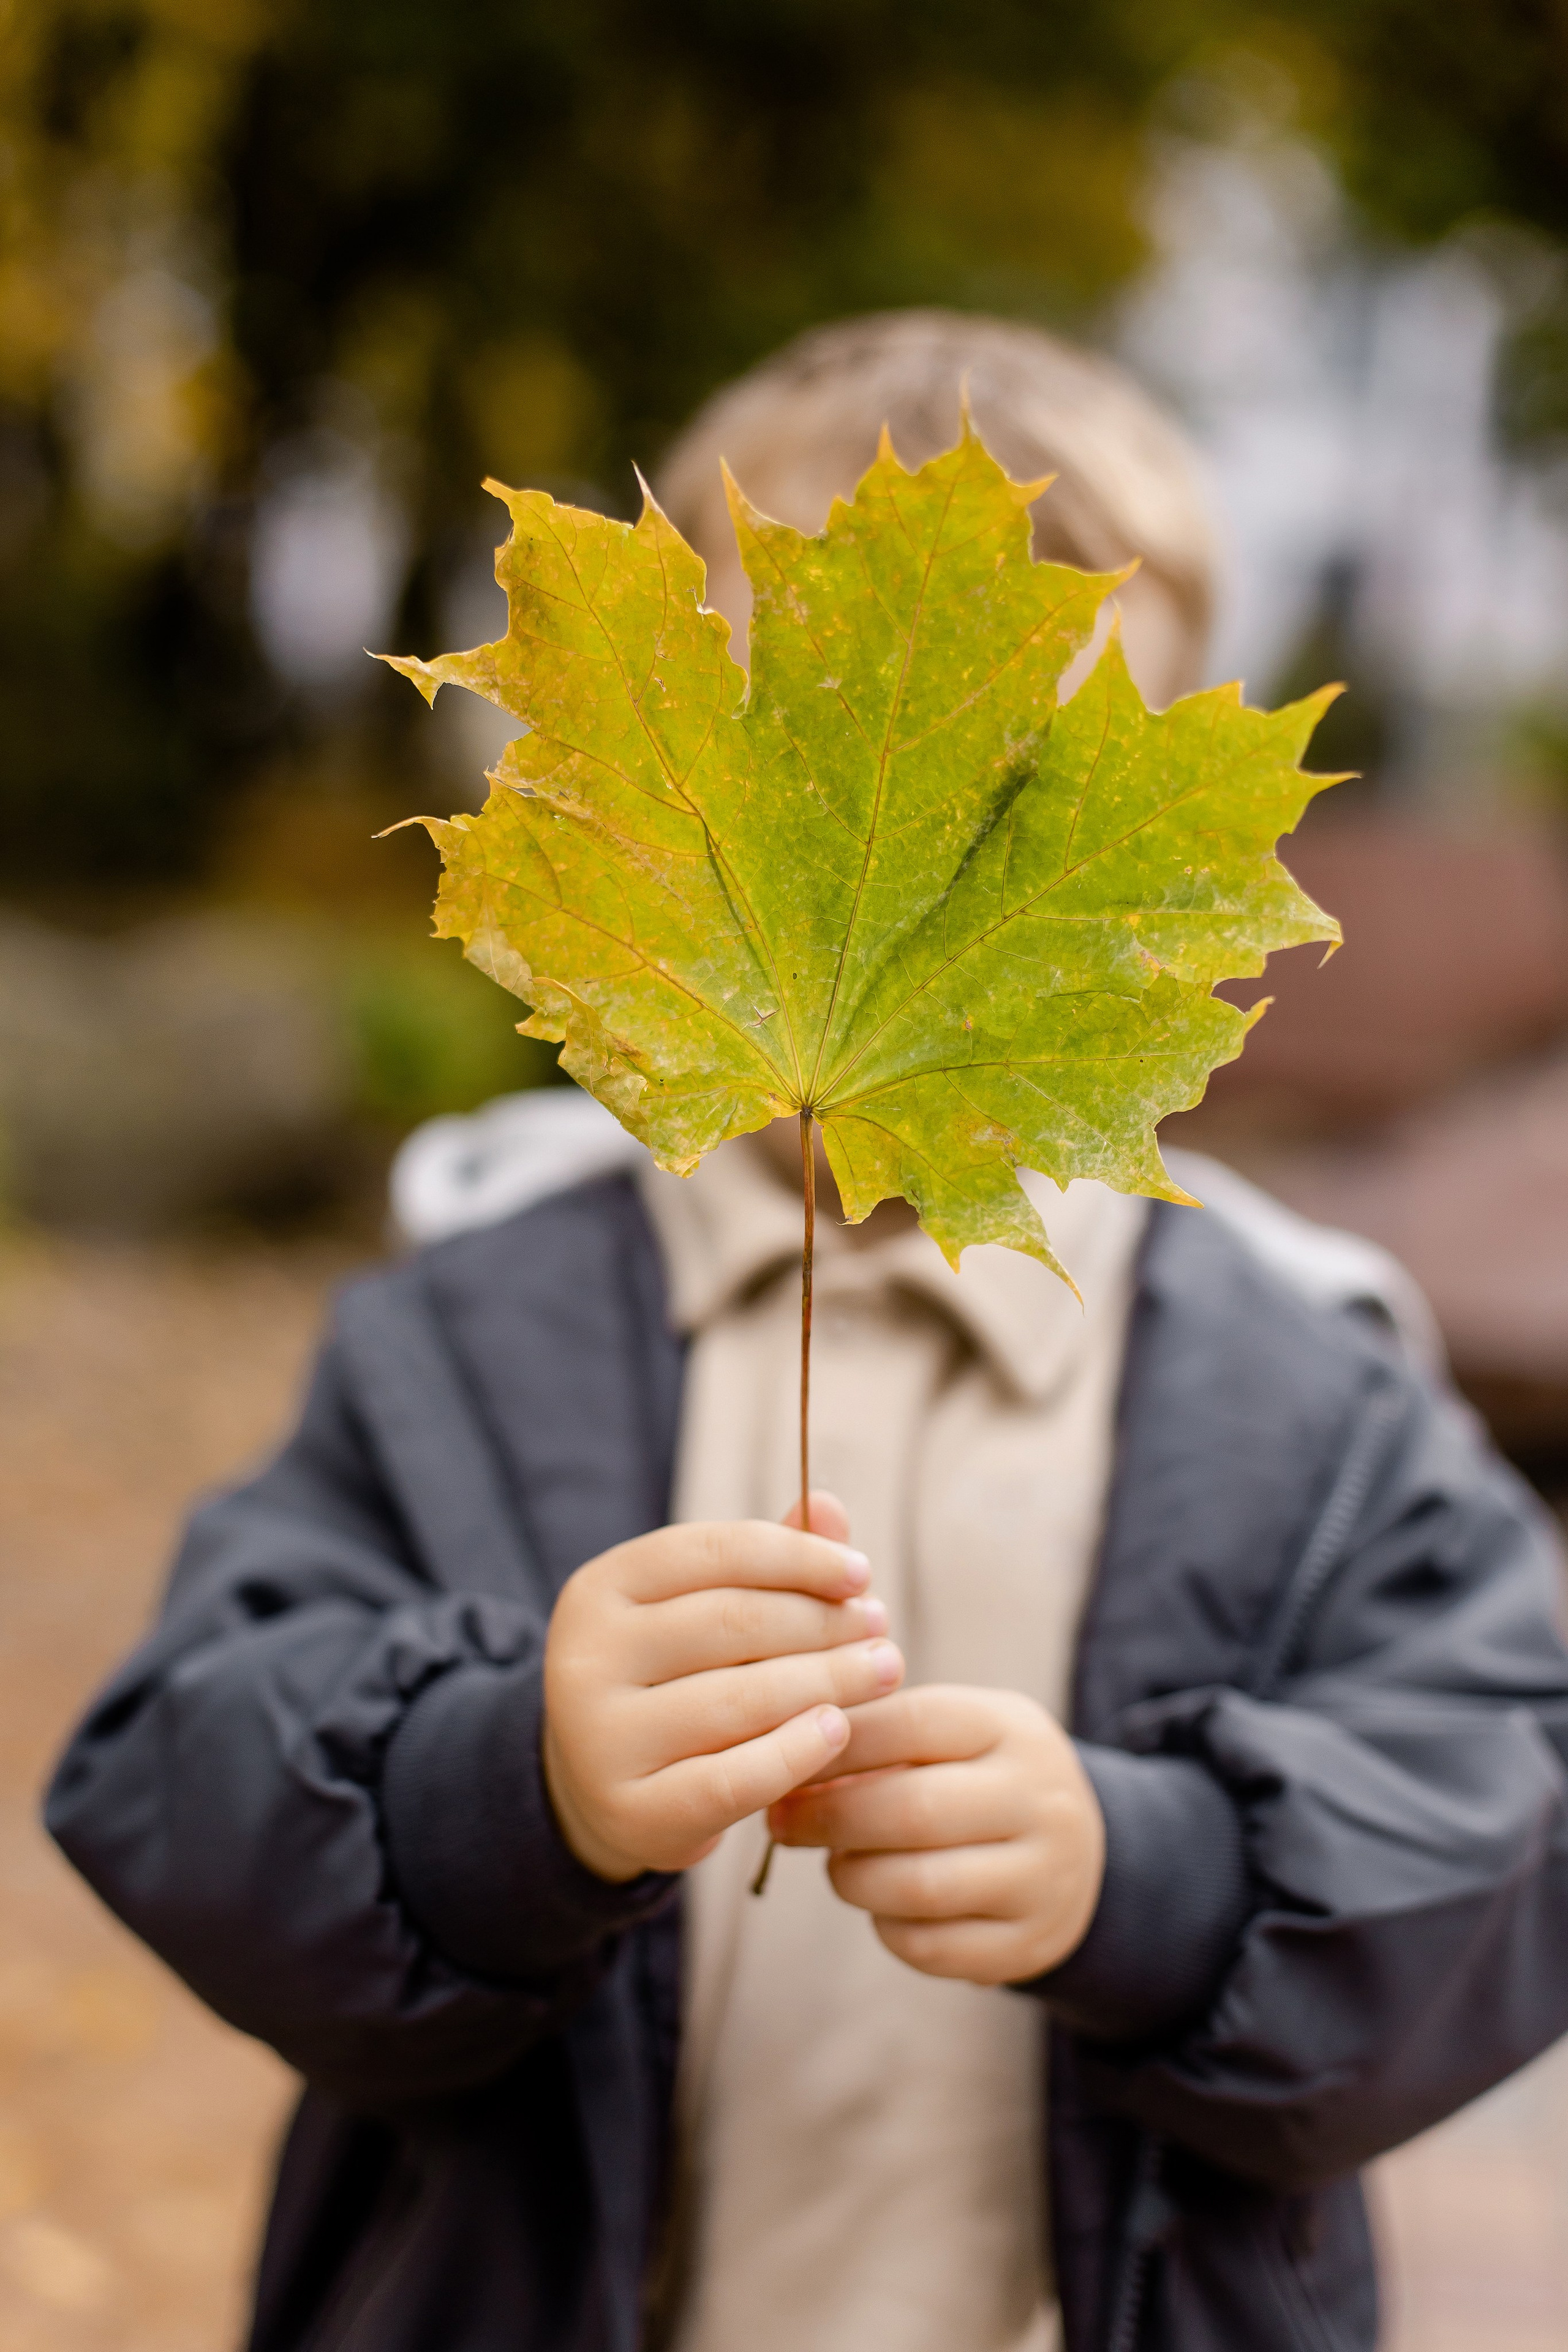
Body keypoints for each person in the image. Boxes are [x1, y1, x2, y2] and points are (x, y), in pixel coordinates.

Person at [45, 311, 1568, 2352]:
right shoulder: (471, 1330)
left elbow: (1512, 1822)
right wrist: (511, 1786)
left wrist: (1171, 1879)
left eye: (1015, 803)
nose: (918, 875)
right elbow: (175, 1778)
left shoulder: (1312, 1392)